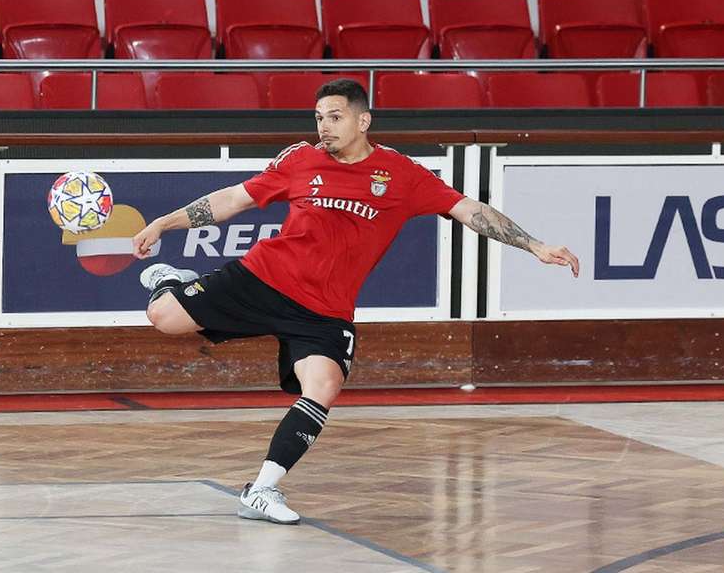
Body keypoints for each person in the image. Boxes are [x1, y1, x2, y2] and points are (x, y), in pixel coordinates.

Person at [132, 78, 579, 525]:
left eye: (335, 117)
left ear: (363, 121)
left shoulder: (401, 174)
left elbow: (468, 209)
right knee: (163, 317)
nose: (324, 127)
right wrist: (164, 223)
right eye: (319, 118)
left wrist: (535, 245)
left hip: (324, 309)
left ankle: (261, 490)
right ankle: (171, 279)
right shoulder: (301, 159)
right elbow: (234, 199)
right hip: (264, 277)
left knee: (323, 387)